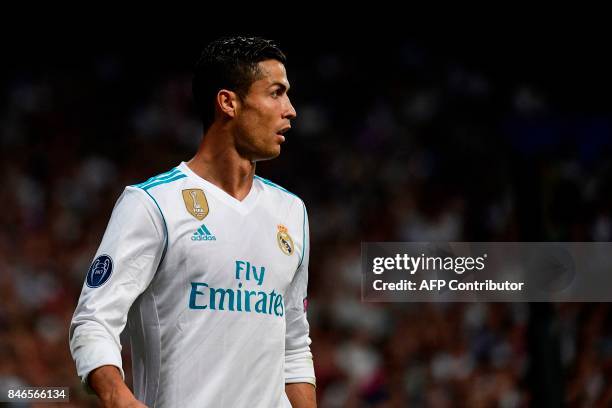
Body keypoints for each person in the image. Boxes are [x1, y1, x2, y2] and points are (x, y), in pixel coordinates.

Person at [69, 36, 316, 407]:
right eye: (276, 93)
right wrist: (116, 393)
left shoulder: (291, 211)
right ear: (228, 102)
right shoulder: (153, 204)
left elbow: (294, 346)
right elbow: (93, 321)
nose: (291, 109)